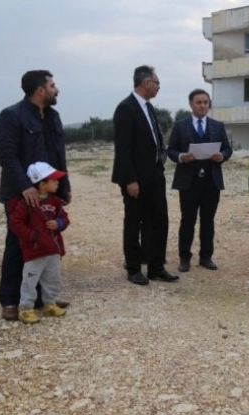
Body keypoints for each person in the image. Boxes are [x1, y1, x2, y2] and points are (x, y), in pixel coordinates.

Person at [0, 70, 71, 321]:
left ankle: (42, 298)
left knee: (46, 244)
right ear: (40, 90)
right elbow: (7, 156)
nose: (56, 89)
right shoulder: (11, 116)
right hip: (20, 195)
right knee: (18, 245)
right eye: (52, 85)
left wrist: (63, 186)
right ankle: (10, 300)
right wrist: (24, 187)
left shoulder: (53, 117)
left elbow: (58, 155)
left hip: (47, 194)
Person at [111, 65, 179, 286]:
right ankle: (133, 269)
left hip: (155, 176)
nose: (159, 87)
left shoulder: (148, 108)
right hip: (135, 179)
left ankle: (156, 267)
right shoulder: (126, 108)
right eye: (157, 83)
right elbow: (123, 149)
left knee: (159, 221)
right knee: (134, 222)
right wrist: (130, 179)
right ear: (147, 83)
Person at [167, 89, 233, 272]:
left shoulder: (218, 126)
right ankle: (184, 258)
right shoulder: (180, 126)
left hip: (211, 181)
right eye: (199, 102)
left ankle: (206, 257)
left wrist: (222, 156)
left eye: (205, 102)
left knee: (208, 221)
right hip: (188, 182)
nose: (203, 106)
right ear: (191, 104)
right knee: (187, 220)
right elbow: (170, 150)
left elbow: (228, 149)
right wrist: (181, 156)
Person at [8, 162, 70, 324]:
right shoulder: (25, 203)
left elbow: (65, 218)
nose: (57, 183)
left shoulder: (55, 201)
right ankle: (25, 309)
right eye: (54, 180)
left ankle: (50, 304)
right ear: (42, 184)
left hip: (52, 250)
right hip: (34, 252)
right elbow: (15, 223)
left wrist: (59, 224)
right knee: (30, 281)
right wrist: (32, 235)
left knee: (53, 279)